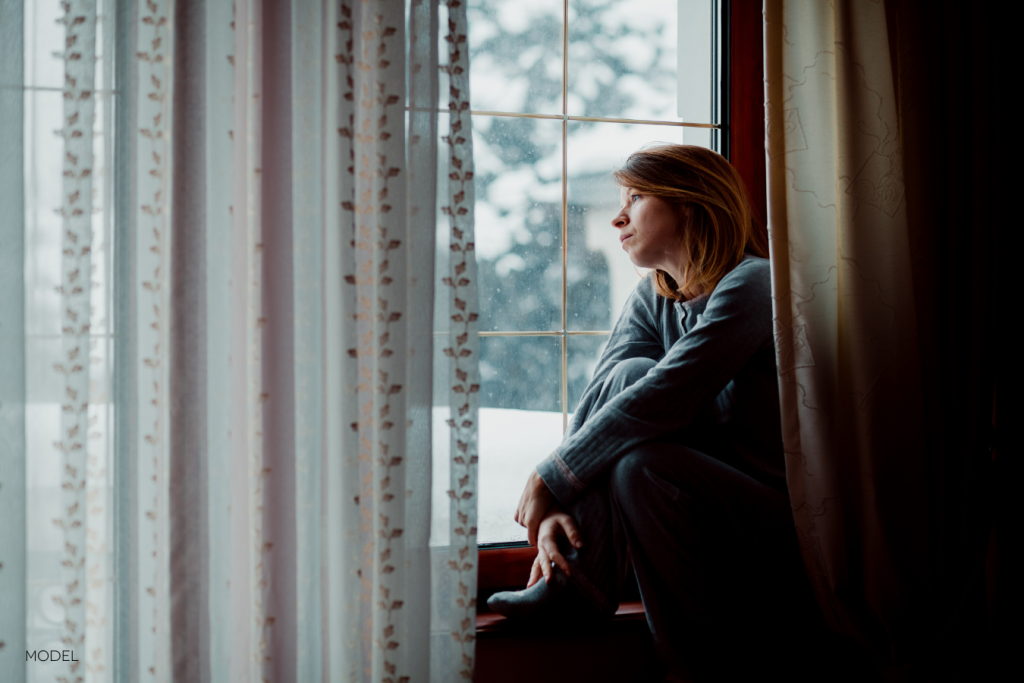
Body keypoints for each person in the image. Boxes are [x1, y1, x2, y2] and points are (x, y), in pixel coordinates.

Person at [487, 144, 822, 681]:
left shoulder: (755, 283)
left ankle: (688, 665)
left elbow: (671, 392)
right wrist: (553, 507)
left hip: (766, 528)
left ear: (691, 205)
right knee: (624, 379)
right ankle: (576, 582)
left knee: (640, 454)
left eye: (636, 197)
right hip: (675, 515)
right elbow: (601, 403)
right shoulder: (653, 298)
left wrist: (549, 475)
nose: (619, 216)